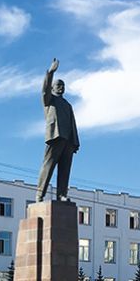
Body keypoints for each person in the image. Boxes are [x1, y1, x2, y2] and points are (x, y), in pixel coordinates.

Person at [36, 58, 80, 202]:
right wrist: (51, 73)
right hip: (55, 137)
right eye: (58, 85)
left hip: (68, 140)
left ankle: (61, 194)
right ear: (53, 88)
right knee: (48, 165)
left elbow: (72, 123)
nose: (61, 87)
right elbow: (44, 91)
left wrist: (75, 142)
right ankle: (40, 194)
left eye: (63, 85)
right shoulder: (50, 100)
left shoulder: (68, 105)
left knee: (65, 170)